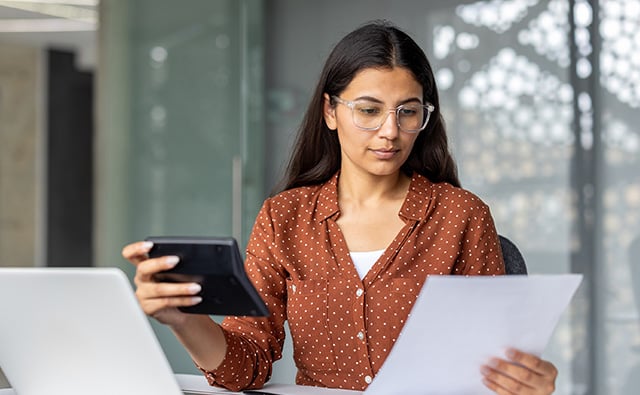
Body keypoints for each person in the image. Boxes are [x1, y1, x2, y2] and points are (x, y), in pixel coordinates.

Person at [123, 20, 558, 394]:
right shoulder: (284, 219)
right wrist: (180, 319)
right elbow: (246, 364)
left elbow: (493, 364)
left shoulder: (460, 215)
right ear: (330, 111)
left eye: (408, 112)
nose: (391, 131)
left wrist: (525, 381)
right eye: (369, 110)